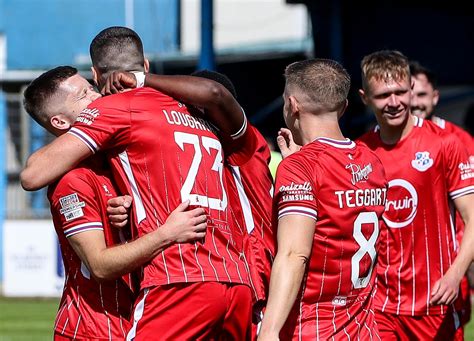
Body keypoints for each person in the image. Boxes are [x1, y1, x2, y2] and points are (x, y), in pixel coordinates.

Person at [21, 27, 252, 340]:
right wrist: (156, 229)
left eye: (91, 87)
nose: (95, 97)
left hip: (178, 280)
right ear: (144, 64)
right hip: (230, 279)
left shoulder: (119, 116)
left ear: (97, 74)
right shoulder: (187, 108)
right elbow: (32, 176)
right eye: (83, 94)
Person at [103, 68, 276, 338]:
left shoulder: (244, 142)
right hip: (237, 281)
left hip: (245, 280)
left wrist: (142, 79)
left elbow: (214, 94)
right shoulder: (212, 150)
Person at [257, 59, 388, 340]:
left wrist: (269, 331)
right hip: (363, 327)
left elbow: (294, 253)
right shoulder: (372, 161)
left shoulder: (301, 166)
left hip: (314, 327)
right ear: (343, 107)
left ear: (292, 105)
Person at [358, 50, 474, 340]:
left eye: (400, 92)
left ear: (411, 90)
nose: (394, 103)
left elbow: (472, 217)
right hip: (379, 305)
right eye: (384, 95)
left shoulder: (445, 143)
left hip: (434, 301)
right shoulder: (359, 152)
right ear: (365, 98)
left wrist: (455, 274)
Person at [410, 59, 474, 333]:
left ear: (435, 97)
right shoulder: (379, 143)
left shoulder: (458, 140)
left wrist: (464, 266)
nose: (414, 102)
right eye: (408, 94)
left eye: (422, 95)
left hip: (450, 263)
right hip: (402, 269)